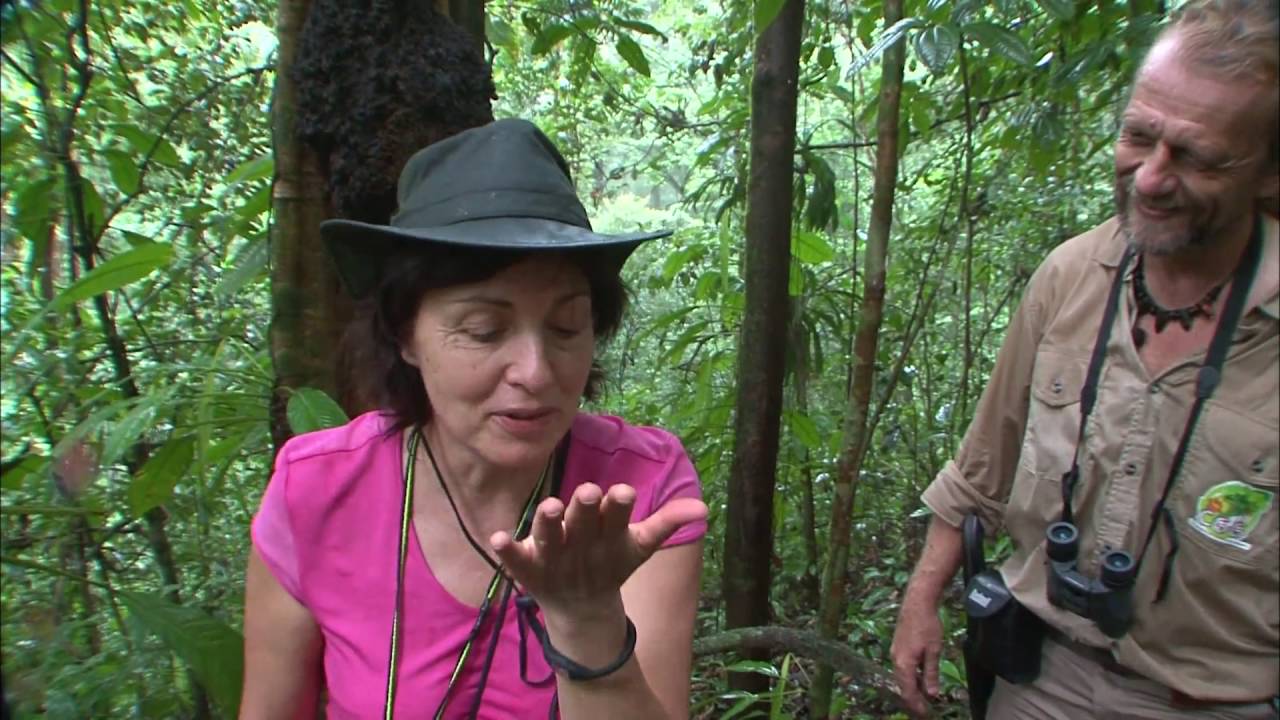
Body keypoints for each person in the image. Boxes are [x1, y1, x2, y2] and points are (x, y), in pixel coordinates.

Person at [240, 118, 708, 719]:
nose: (536, 372)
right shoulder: (317, 489)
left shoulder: (639, 490)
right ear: (405, 335)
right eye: (485, 331)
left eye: (566, 327)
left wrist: (587, 618)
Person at [890, 2, 1279, 718]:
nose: (1152, 178)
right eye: (1139, 137)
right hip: (1040, 676)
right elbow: (982, 469)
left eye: (1196, 156)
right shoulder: (1071, 277)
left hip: (1216, 698)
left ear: (1268, 173)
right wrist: (921, 603)